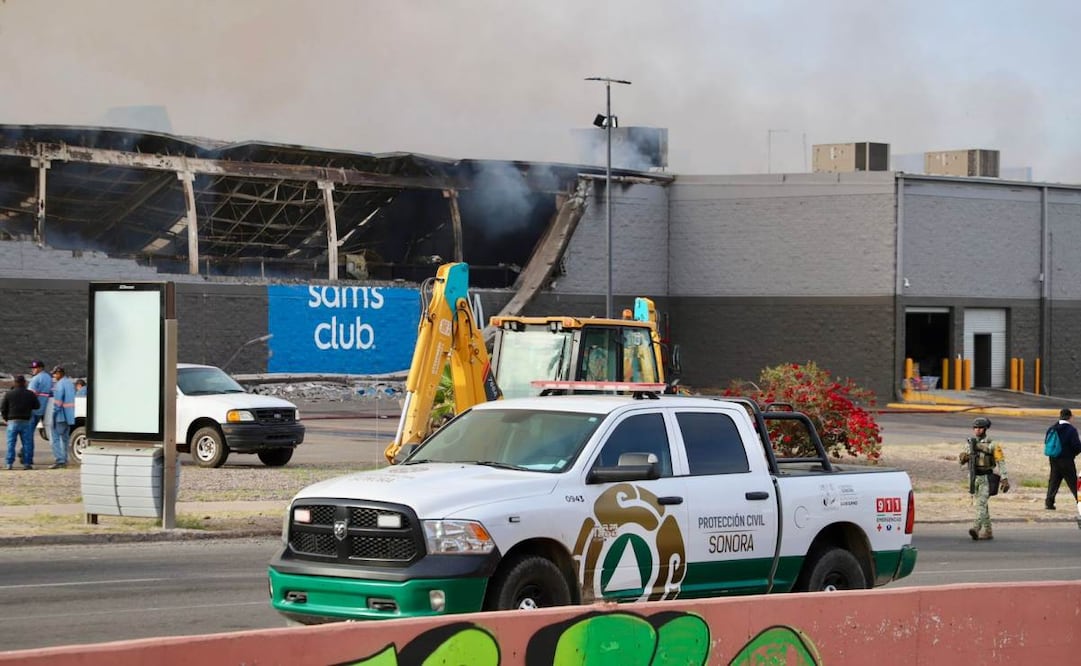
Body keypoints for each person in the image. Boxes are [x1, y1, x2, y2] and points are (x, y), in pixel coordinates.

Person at [958, 416, 1010, 540]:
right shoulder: (970, 443)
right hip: (974, 477)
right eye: (975, 427)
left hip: (987, 477)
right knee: (983, 505)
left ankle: (976, 528)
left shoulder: (993, 445)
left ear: (986, 429)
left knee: (980, 504)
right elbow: (961, 462)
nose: (977, 430)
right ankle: (988, 531)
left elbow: (1001, 461)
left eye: (980, 427)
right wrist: (963, 457)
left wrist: (1005, 478)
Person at [1044, 408, 1081, 511]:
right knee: (1073, 482)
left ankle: (1049, 502)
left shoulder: (1052, 428)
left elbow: (1047, 442)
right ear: (1070, 417)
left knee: (1054, 480)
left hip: (1053, 458)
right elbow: (1076, 446)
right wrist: (1073, 454)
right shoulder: (1071, 430)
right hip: (1066, 459)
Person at [1, 375, 40, 470]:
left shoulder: (9, 394)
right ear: (24, 383)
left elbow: (3, 408)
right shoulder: (30, 394)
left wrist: (6, 418)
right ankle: (27, 464)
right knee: (27, 443)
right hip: (26, 421)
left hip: (12, 421)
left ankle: (9, 464)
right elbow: (37, 406)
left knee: (11, 443)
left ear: (15, 382)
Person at [26, 360, 52, 465]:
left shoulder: (36, 379)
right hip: (43, 409)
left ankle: (28, 457)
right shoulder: (48, 378)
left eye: (35, 368)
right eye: (32, 368)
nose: (33, 370)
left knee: (28, 435)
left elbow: (30, 395)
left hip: (33, 410)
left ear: (40, 368)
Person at [49, 365, 75, 469]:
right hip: (69, 416)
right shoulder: (70, 383)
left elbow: (58, 402)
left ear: (59, 373)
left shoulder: (59, 384)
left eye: (55, 374)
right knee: (65, 439)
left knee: (55, 438)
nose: (54, 376)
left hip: (60, 415)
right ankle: (65, 459)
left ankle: (60, 460)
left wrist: (54, 414)